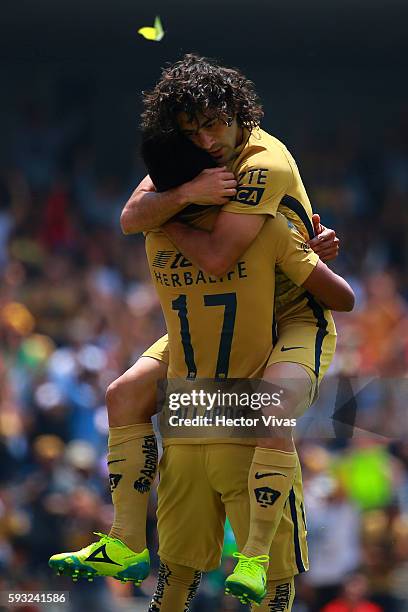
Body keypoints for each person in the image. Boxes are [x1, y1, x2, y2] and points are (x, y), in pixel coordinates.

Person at [49, 54, 349, 609]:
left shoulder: (266, 161)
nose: (207, 141)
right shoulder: (191, 159)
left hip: (288, 313)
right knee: (125, 393)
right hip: (215, 317)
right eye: (192, 131)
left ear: (238, 113)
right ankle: (125, 541)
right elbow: (130, 215)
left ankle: (256, 556)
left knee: (267, 403)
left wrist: (167, 222)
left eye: (214, 124)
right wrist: (183, 197)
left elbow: (214, 255)